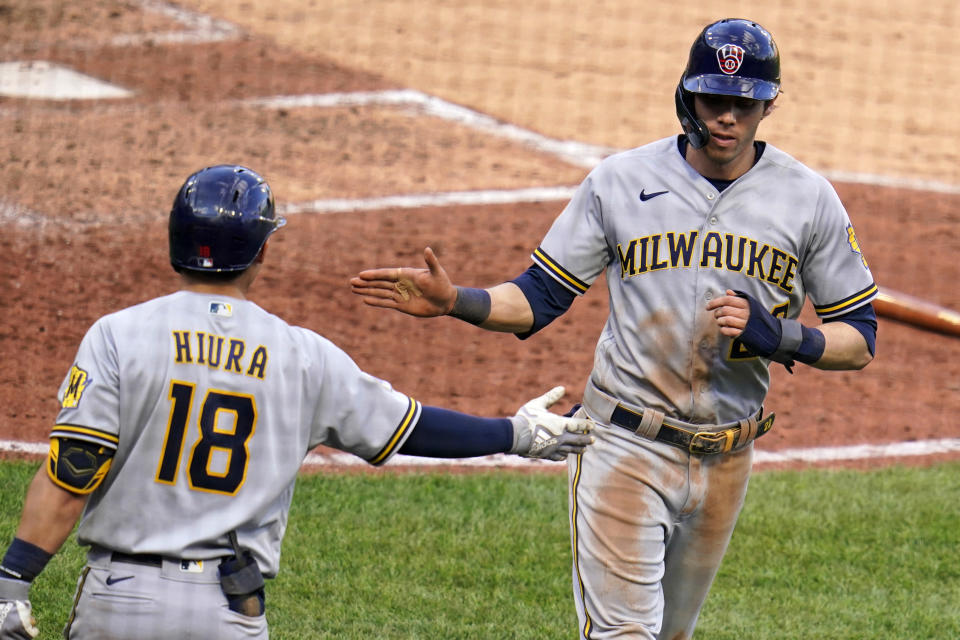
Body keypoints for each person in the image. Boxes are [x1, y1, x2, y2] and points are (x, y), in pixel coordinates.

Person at [350, 18, 878, 639]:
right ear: (688, 96)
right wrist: (456, 300)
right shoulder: (621, 181)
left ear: (768, 105)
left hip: (727, 457)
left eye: (745, 103)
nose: (728, 118)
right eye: (715, 100)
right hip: (624, 443)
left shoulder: (808, 200)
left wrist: (786, 338)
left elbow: (860, 340)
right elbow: (537, 298)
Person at [0, 164, 594, 640]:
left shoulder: (118, 334)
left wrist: (13, 582)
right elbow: (411, 428)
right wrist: (518, 434)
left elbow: (74, 469)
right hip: (229, 612)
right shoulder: (303, 355)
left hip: (120, 601)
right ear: (262, 251)